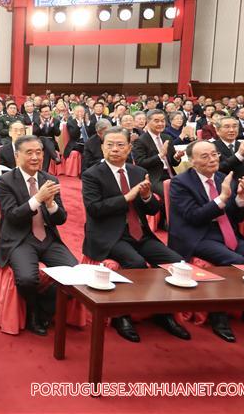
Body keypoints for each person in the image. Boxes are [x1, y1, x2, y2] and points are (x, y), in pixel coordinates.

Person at [81, 127, 189, 343]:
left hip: (140, 233)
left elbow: (151, 210)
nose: (114, 149)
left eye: (120, 145)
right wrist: (127, 197)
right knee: (136, 263)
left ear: (129, 148)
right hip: (110, 235)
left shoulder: (138, 172)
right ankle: (122, 315)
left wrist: (148, 196)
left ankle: (163, 313)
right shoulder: (92, 175)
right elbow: (95, 209)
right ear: (102, 147)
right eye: (109, 144)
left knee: (174, 262)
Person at [167, 140, 244, 341]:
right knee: (234, 260)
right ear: (192, 161)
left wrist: (241, 198)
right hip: (197, 235)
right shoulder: (180, 183)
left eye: (214, 154)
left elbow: (235, 217)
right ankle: (219, 315)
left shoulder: (223, 177)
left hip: (227, 233)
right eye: (205, 156)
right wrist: (221, 199)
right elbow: (194, 217)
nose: (212, 159)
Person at [0, 135, 77, 335]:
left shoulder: (50, 179)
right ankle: (32, 311)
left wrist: (50, 205)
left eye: (38, 152)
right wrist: (37, 199)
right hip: (20, 238)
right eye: (29, 153)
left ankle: (43, 308)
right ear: (17, 156)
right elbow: (13, 216)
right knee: (26, 279)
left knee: (76, 277)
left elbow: (61, 219)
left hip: (47, 237)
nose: (35, 157)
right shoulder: (5, 181)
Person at [213, 117, 244, 245]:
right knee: (229, 208)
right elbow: (221, 167)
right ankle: (230, 242)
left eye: (234, 126)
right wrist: (239, 154)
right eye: (227, 127)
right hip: (222, 190)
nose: (232, 130)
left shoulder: (242, 144)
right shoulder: (213, 146)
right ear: (218, 131)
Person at [132, 109, 183, 202]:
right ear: (148, 122)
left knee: (188, 190)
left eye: (162, 121)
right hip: (155, 177)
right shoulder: (141, 141)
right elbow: (140, 163)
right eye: (156, 121)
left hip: (171, 174)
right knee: (172, 195)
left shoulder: (167, 137)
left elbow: (173, 163)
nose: (160, 123)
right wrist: (160, 155)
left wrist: (177, 157)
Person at [32, 105, 61, 171]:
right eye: (44, 112)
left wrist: (52, 125)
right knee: (44, 139)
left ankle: (44, 171)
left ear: (50, 111)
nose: (46, 113)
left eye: (47, 111)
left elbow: (58, 133)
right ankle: (55, 157)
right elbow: (34, 133)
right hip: (39, 142)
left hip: (51, 143)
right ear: (41, 113)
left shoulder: (55, 121)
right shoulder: (37, 120)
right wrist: (41, 125)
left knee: (47, 149)